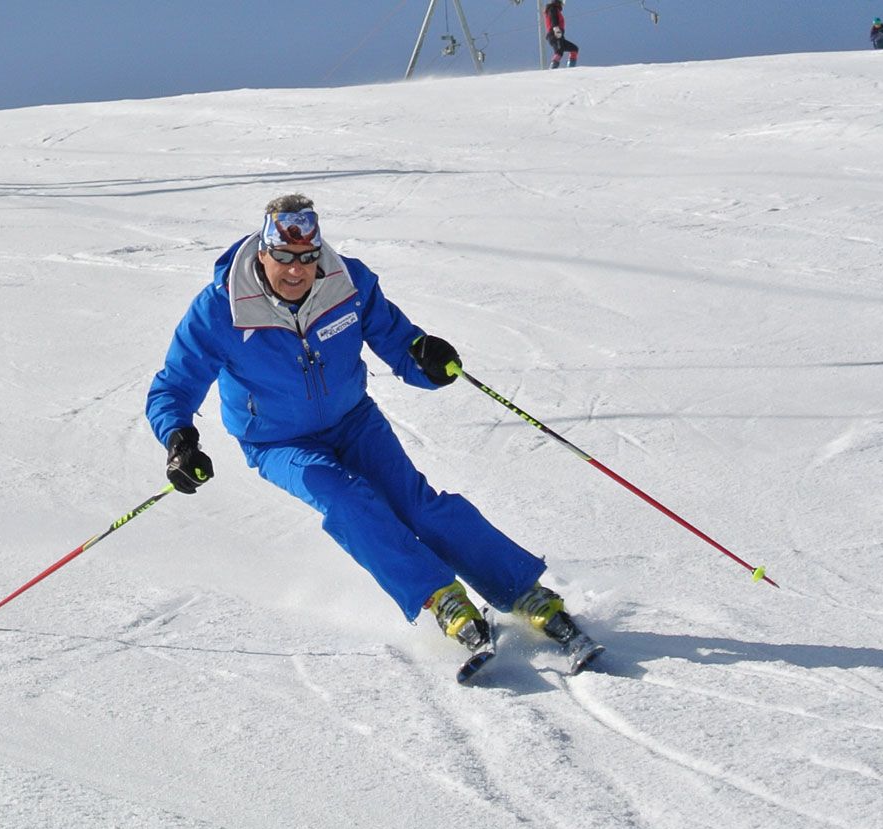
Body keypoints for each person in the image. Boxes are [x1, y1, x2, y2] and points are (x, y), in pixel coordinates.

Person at [145, 193, 601, 675]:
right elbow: (173, 387)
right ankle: (441, 599)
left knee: (415, 503)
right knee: (347, 501)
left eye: (306, 258)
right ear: (263, 251)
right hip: (278, 441)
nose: (296, 270)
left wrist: (428, 359)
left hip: (353, 419)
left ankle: (526, 593)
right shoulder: (219, 309)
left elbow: (401, 345)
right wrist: (179, 439)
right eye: (283, 257)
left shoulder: (349, 283)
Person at [544, 0, 579, 69]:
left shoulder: (555, 9)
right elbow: (553, 19)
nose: (563, 3)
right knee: (559, 51)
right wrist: (556, 29)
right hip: (554, 34)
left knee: (574, 49)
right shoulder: (552, 8)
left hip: (559, 35)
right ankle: (552, 69)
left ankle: (571, 68)